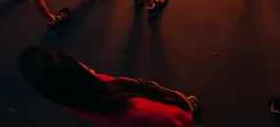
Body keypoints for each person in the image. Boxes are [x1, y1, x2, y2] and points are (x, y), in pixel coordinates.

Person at [18, 47, 198, 125]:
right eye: (74, 64)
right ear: (77, 73)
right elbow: (175, 120)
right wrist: (185, 109)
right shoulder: (139, 109)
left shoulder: (72, 101)